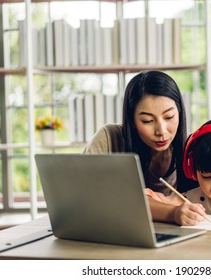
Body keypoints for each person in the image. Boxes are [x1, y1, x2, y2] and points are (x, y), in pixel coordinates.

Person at [83, 70, 197, 220]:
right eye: (147, 121)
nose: (161, 131)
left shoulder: (193, 149)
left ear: (180, 112)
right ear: (132, 121)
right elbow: (86, 195)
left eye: (169, 117)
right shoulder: (110, 138)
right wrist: (172, 212)